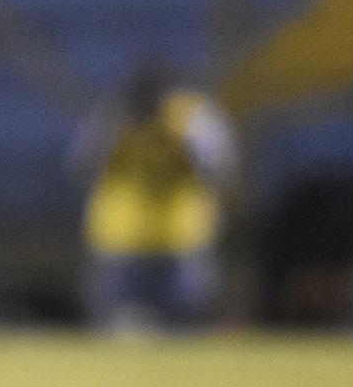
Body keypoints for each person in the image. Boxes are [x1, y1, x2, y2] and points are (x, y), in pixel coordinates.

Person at [69, 62, 237, 331]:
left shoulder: (193, 119)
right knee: (114, 333)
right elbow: (82, 164)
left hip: (180, 243)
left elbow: (221, 169)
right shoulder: (113, 117)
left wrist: (182, 143)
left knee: (188, 332)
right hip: (119, 243)